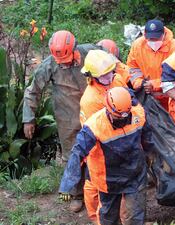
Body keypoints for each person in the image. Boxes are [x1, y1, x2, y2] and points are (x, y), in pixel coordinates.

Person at [22, 30, 98, 212]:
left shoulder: (92, 53)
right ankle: (77, 194)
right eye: (59, 61)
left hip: (96, 110)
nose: (62, 64)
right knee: (73, 154)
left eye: (66, 59)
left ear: (74, 48)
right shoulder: (49, 65)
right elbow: (33, 91)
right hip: (68, 115)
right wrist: (28, 119)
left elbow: (114, 64)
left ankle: (102, 190)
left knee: (101, 149)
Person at [59, 87, 153, 225]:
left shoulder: (138, 113)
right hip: (109, 180)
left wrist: (149, 157)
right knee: (108, 218)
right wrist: (67, 185)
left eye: (127, 116)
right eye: (118, 117)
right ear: (108, 110)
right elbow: (77, 153)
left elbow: (147, 137)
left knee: (135, 216)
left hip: (135, 174)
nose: (123, 120)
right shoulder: (94, 126)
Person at [79, 49, 128, 221]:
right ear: (92, 76)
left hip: (118, 138)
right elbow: (97, 131)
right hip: (97, 146)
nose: (109, 78)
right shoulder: (90, 100)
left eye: (111, 73)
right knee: (95, 184)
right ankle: (96, 219)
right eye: (104, 76)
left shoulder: (116, 79)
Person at [127, 19, 175, 110]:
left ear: (163, 35)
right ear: (145, 35)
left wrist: (154, 84)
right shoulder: (137, 45)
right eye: (150, 38)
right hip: (148, 97)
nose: (153, 41)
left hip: (171, 98)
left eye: (157, 38)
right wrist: (140, 83)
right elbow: (133, 68)